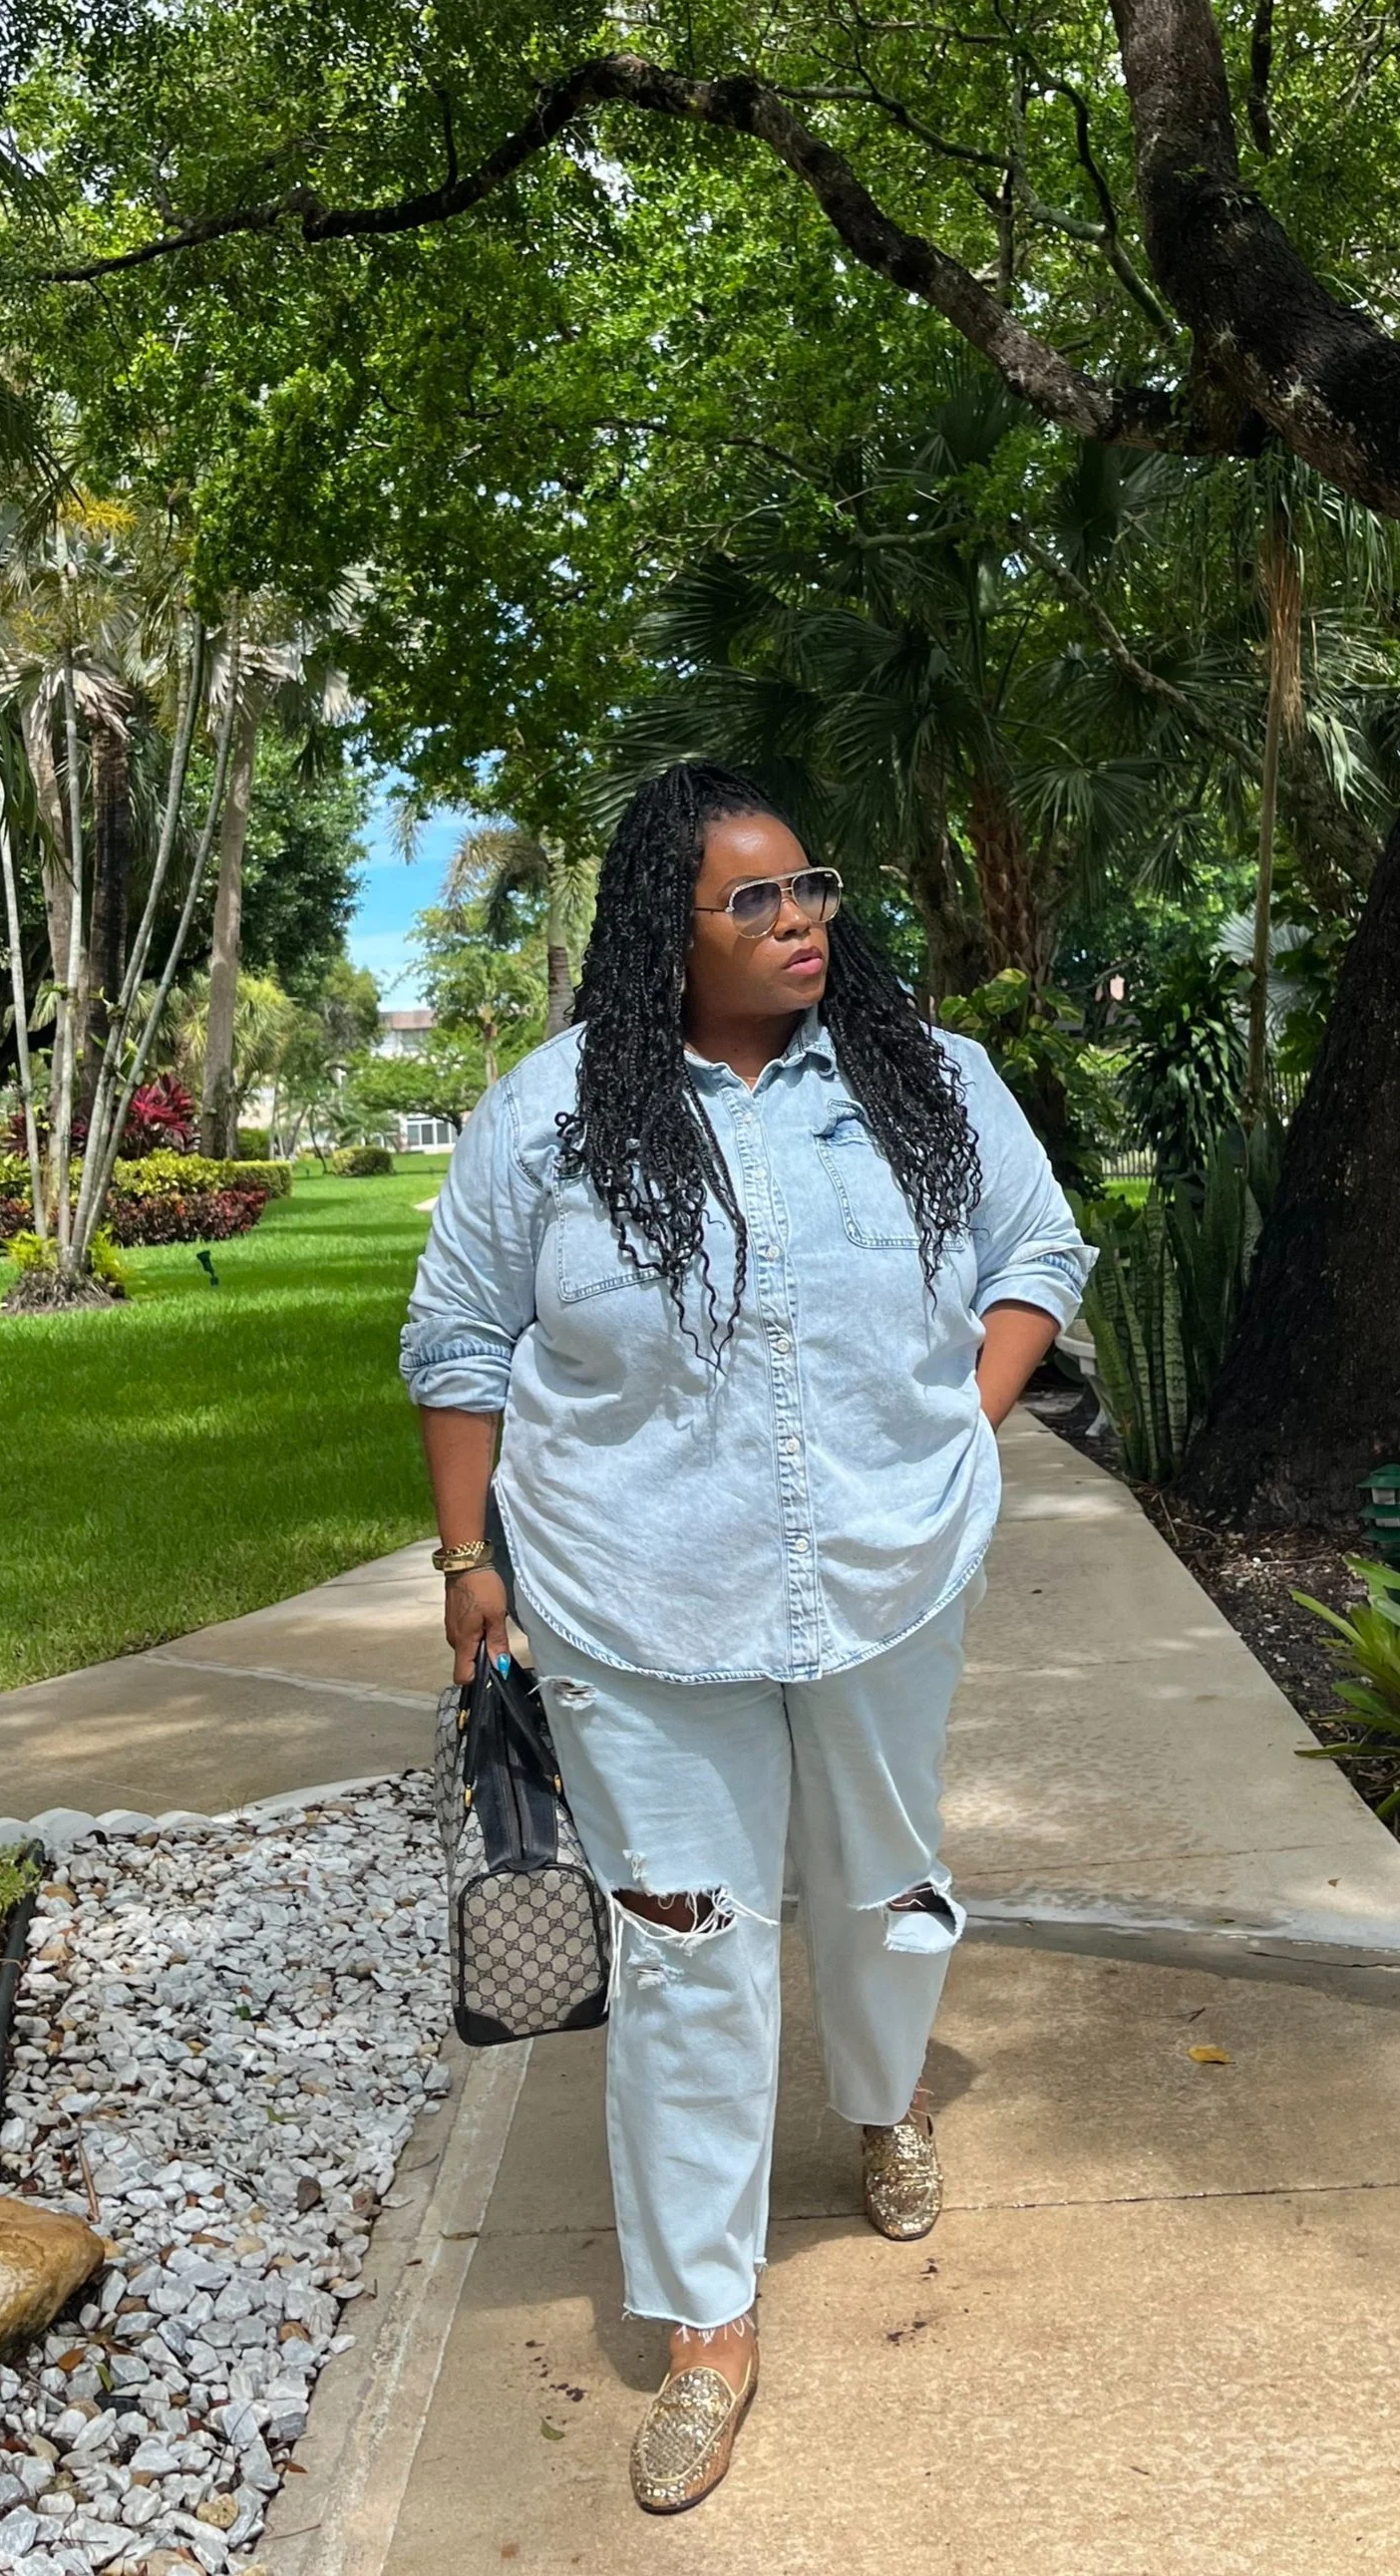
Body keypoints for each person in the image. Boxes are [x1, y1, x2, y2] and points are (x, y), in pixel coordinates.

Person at [402, 761, 1091, 2513]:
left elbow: (1038, 1246)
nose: (800, 925)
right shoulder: (547, 1116)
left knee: (885, 1872)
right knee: (686, 1942)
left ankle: (884, 2103)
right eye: (754, 902)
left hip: (885, 1569)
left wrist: (968, 1421)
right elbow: (461, 1335)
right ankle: (708, 2317)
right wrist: (468, 1560)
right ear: (667, 931)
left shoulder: (926, 1083)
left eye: (814, 892)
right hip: (638, 1594)